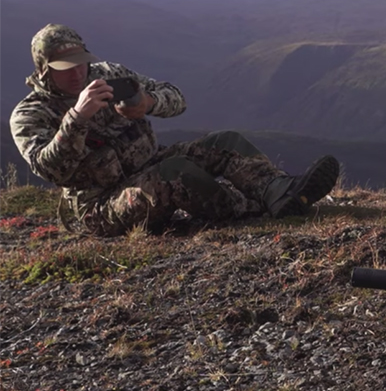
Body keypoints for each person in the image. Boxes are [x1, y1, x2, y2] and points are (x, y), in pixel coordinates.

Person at [10, 24, 342, 236]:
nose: (76, 72)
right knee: (173, 174)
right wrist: (77, 119)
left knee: (225, 141)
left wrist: (148, 103)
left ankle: (278, 192)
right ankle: (253, 209)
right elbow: (51, 170)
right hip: (99, 207)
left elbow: (176, 97)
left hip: (148, 165)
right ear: (43, 70)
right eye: (64, 67)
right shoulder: (30, 114)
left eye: (80, 62)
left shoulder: (108, 75)